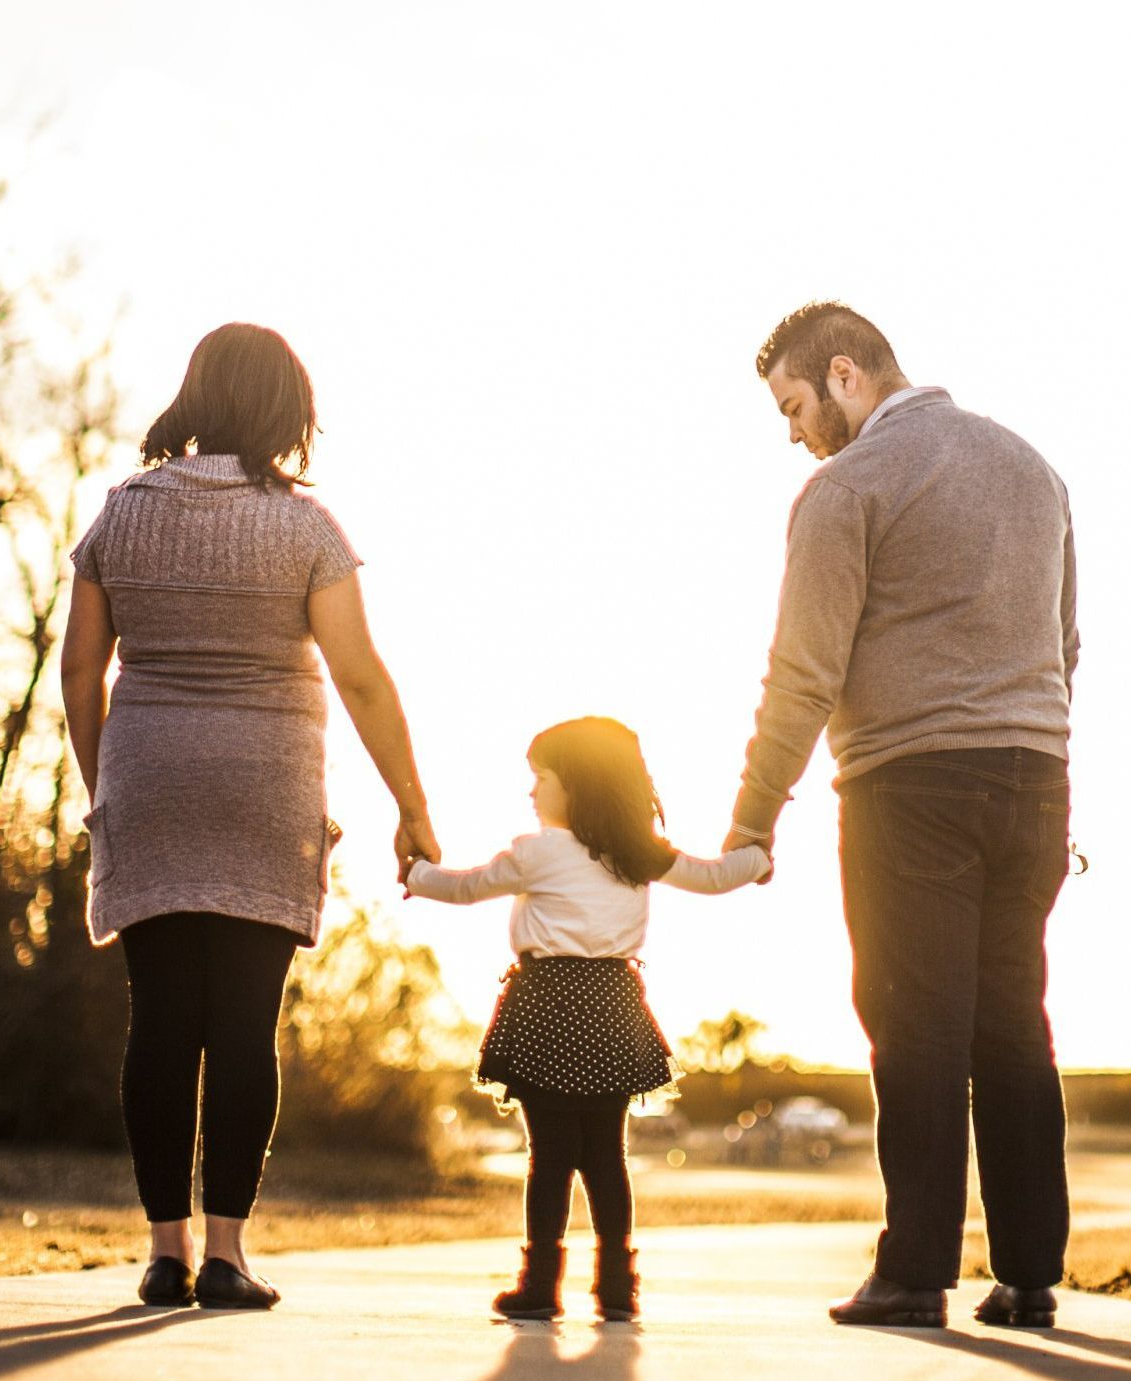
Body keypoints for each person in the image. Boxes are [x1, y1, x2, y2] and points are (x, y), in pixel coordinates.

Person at [60, 323, 440, 1310]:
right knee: (241, 1029)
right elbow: (359, 677)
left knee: (158, 1023)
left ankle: (164, 1250)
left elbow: (79, 669)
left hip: (149, 784)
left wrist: (108, 788)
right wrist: (411, 803)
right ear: (284, 409)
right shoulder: (307, 529)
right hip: (265, 794)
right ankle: (227, 1255)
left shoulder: (120, 514)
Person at [721, 302, 1079, 1329]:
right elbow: (1066, 642)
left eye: (794, 407)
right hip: (1035, 778)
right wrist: (1035, 746)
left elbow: (804, 673)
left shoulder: (848, 487)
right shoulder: (1033, 469)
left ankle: (914, 1273)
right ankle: (1029, 1276)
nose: (793, 433)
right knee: (1013, 1021)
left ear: (844, 375)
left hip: (908, 784)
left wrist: (753, 821)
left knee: (913, 1025)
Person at [404, 717, 770, 1321]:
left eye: (539, 778)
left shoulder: (539, 851)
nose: (531, 792)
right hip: (612, 1008)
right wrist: (756, 860)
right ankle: (617, 1287)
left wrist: (415, 874)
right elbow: (712, 877)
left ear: (574, 783)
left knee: (548, 1154)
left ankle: (541, 1285)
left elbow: (466, 887)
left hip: (547, 1005)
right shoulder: (636, 852)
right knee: (607, 1154)